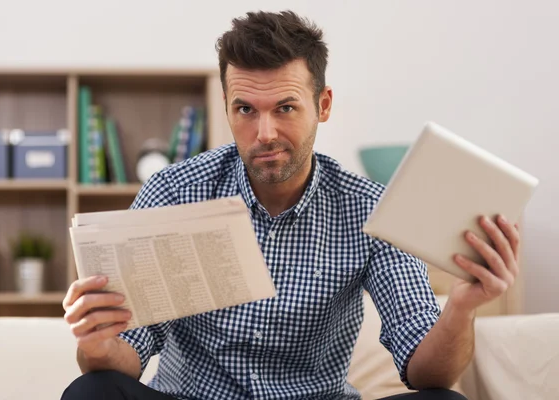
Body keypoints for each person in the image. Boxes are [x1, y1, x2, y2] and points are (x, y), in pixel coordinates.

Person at [61, 10, 521, 400]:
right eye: (246, 110)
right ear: (226, 105)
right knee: (91, 390)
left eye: (285, 108)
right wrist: (98, 344)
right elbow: (125, 359)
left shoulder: (370, 208)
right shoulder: (173, 192)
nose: (265, 134)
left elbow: (428, 375)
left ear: (322, 105)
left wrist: (462, 306)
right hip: (192, 397)